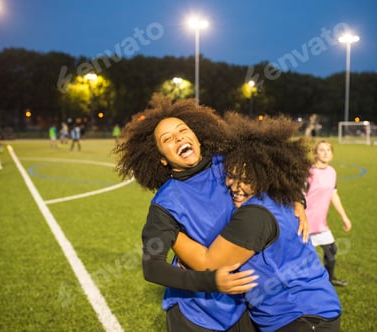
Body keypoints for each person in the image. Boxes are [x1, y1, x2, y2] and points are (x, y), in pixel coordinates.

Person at [114, 97, 309, 331]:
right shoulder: (165, 203)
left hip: (242, 305)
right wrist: (210, 281)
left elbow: (273, 169)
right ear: (162, 159)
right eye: (167, 139)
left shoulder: (229, 163)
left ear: (196, 136)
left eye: (183, 130)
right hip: (196, 315)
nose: (178, 138)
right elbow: (152, 267)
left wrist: (297, 198)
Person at [172, 113, 342, 332]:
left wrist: (171, 231)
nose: (234, 185)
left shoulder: (256, 215)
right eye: (231, 175)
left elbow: (209, 264)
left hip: (301, 317)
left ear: (263, 175)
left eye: (245, 179)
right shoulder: (279, 196)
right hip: (309, 313)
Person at [305, 140, 352, 287]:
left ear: (332, 154)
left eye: (328, 150)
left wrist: (344, 217)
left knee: (331, 252)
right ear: (315, 153)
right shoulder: (309, 172)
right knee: (305, 258)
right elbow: (298, 197)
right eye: (321, 150)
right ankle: (304, 285)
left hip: (320, 223)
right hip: (305, 222)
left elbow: (333, 195)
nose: (325, 153)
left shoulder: (332, 172)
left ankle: (329, 280)